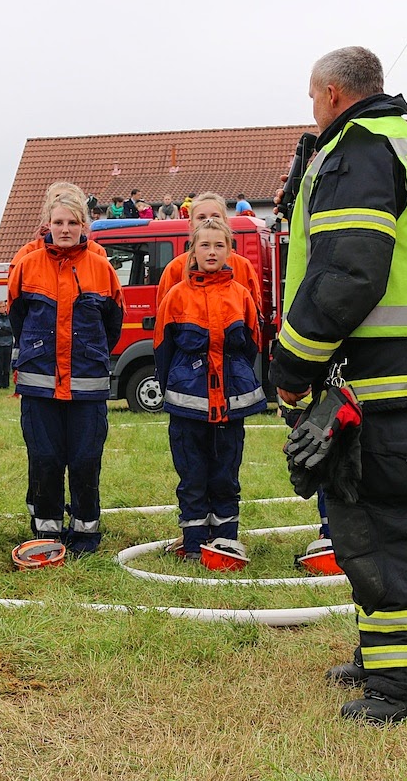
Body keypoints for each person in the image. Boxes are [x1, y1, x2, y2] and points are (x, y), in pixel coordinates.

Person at [270, 46, 407, 724]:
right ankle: (383, 656)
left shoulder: (358, 151)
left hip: (376, 376)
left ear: (330, 94)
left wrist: (291, 365)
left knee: (380, 527)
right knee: (370, 523)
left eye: (311, 97)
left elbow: (348, 274)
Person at [9, 191, 123, 555]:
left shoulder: (101, 268)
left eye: (73, 223)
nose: (65, 229)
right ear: (48, 224)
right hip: (40, 387)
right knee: (45, 459)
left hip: (86, 388)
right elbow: (17, 318)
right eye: (58, 222)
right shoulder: (28, 266)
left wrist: (88, 355)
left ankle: (85, 534)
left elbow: (112, 325)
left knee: (86, 460)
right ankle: (46, 534)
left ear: (84, 226)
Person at [154, 217, 265, 560]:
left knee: (226, 476)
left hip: (230, 406)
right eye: (205, 245)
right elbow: (163, 350)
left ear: (230, 251)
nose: (212, 251)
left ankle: (225, 544)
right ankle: (193, 546)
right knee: (192, 477)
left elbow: (251, 345)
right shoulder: (175, 297)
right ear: (193, 251)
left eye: (220, 245)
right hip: (188, 408)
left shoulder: (242, 296)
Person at [155, 193, 263, 311]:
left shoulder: (243, 266)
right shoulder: (175, 268)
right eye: (201, 217)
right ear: (191, 224)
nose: (208, 221)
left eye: (215, 216)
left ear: (225, 221)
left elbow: (254, 316)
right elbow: (164, 316)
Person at [12, 182, 108, 266]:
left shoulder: (96, 252)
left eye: (70, 199)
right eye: (58, 198)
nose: (63, 203)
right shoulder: (28, 253)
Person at [0, 299, 15, 389]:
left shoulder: (10, 318)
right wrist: (6, 329)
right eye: (0, 307)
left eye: (4, 306)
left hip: (8, 344)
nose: (2, 308)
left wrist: (2, 328)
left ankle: (6, 384)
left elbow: (12, 330)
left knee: (7, 366)